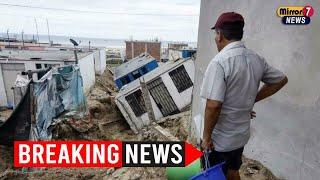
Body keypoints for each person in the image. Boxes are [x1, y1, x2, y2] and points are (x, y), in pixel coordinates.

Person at [200, 12, 288, 180]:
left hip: (220, 141)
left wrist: (206, 138)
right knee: (233, 171)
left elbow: (213, 105)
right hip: (240, 136)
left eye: (215, 33)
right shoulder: (256, 59)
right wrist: (249, 101)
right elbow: (281, 80)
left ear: (219, 35)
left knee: (213, 174)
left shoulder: (220, 62)